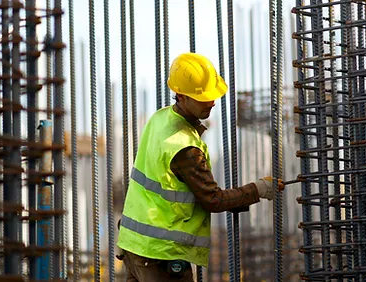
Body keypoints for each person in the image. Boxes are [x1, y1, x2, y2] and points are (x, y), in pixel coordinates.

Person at [116, 52, 284, 281]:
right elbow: (213, 199)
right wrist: (259, 189)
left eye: (212, 96)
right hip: (160, 255)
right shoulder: (184, 147)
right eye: (203, 98)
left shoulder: (160, 118)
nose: (212, 102)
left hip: (134, 245)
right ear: (181, 96)